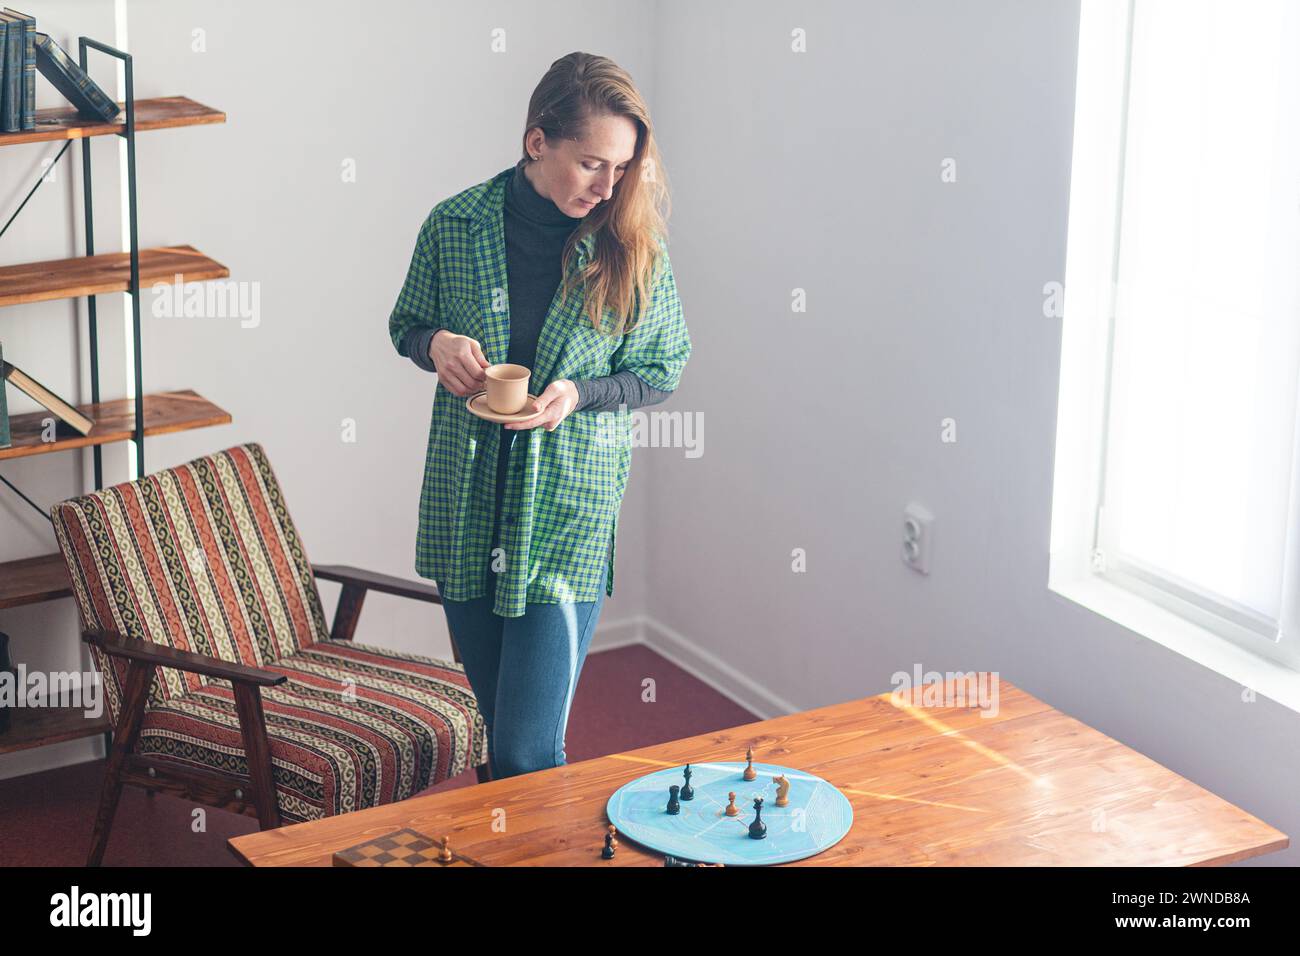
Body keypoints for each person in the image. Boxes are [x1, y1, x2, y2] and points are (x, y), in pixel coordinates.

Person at [387, 52, 692, 780]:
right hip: (468, 506)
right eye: (592, 164)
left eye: (622, 169)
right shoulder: (453, 225)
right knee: (499, 730)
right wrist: (435, 344)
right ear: (537, 142)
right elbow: (406, 324)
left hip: (566, 515)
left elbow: (660, 369)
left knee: (527, 749)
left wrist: (576, 394)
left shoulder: (632, 246)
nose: (608, 185)